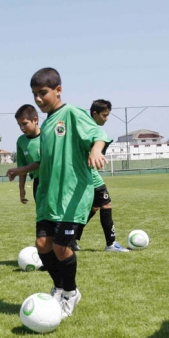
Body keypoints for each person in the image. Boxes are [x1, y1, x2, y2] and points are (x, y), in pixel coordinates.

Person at [22, 67, 110, 318]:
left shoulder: (70, 113)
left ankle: (70, 292)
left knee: (62, 248)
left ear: (58, 90)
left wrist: (96, 150)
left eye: (43, 93)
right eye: (34, 94)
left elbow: (98, 133)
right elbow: (47, 161)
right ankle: (59, 286)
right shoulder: (47, 124)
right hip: (49, 198)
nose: (38, 99)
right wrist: (23, 169)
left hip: (72, 196)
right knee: (42, 245)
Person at [73, 99, 129, 252]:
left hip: (84, 175)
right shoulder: (91, 129)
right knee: (106, 204)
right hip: (90, 176)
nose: (106, 118)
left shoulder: (82, 125)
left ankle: (72, 239)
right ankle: (111, 244)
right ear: (94, 113)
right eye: (104, 115)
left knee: (94, 207)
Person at [13, 104, 42, 205]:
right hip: (37, 182)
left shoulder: (47, 136)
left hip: (53, 180)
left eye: (24, 124)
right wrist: (21, 188)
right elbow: (22, 167)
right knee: (41, 216)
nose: (22, 128)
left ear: (35, 120)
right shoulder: (21, 141)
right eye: (19, 125)